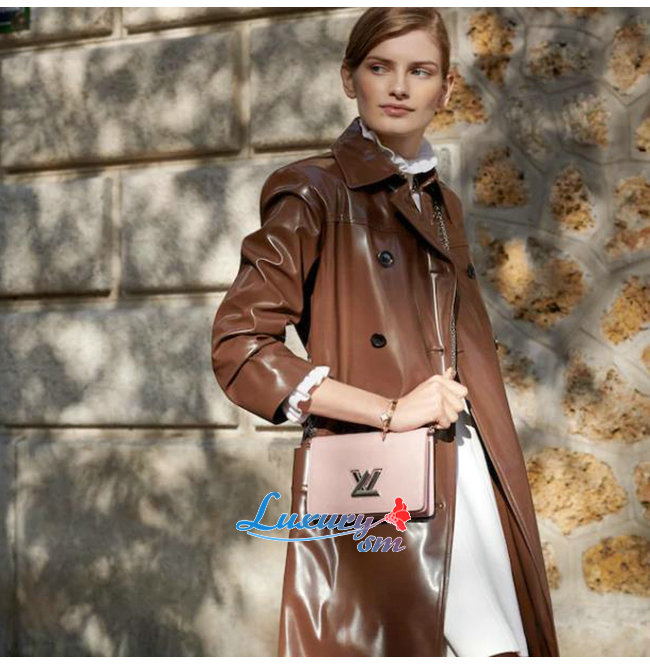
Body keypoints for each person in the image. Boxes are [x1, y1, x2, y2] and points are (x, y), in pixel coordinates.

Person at [211, 7, 560, 658]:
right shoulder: (311, 190)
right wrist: (391, 410)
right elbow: (241, 346)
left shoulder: (442, 202)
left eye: (420, 71)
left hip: (466, 458)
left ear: (446, 89)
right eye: (380, 67)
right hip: (379, 469)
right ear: (350, 78)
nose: (399, 87)